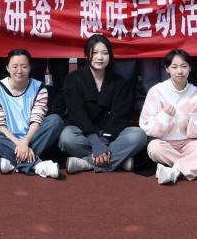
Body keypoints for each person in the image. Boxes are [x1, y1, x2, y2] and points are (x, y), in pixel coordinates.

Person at [59, 35, 147, 174]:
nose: (99, 57)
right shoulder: (73, 79)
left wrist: (104, 141)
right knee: (66, 138)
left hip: (112, 136)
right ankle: (119, 161)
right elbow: (77, 113)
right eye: (94, 53)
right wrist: (95, 141)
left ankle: (85, 163)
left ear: (110, 56)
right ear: (86, 55)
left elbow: (120, 116)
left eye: (105, 53)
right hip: (84, 134)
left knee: (138, 135)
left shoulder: (119, 82)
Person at [140, 49, 197, 185]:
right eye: (174, 67)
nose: (180, 71)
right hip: (165, 143)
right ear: (167, 69)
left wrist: (196, 116)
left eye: (184, 66)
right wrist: (164, 117)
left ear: (190, 68)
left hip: (190, 143)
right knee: (154, 148)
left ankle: (175, 170)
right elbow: (146, 126)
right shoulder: (156, 91)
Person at [0, 49, 63, 178]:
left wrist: (25, 142)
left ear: (30, 68)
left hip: (33, 137)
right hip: (9, 139)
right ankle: (38, 165)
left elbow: (37, 119)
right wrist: (18, 143)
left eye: (24, 66)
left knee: (55, 121)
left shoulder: (39, 88)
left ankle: (13, 160)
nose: (19, 71)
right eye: (15, 66)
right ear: (7, 68)